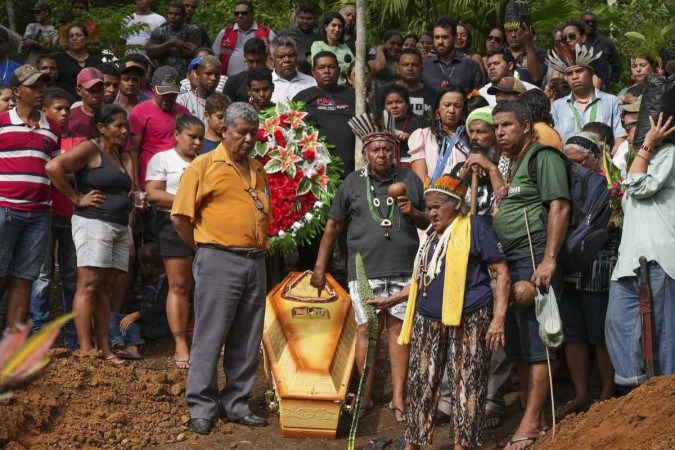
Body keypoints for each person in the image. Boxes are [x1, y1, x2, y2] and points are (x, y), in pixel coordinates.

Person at [311, 111, 428, 423]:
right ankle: (364, 395)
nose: (382, 154)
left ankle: (399, 397)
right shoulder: (351, 182)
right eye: (375, 149)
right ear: (365, 153)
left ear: (395, 152)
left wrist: (412, 211)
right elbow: (333, 228)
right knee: (366, 331)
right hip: (364, 270)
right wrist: (319, 268)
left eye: (387, 149)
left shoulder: (409, 179)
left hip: (404, 267)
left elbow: (429, 221)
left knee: (400, 333)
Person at [171, 102, 271, 434]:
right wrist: (204, 250)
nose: (247, 139)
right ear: (224, 130)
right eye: (241, 132)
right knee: (210, 335)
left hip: (254, 260)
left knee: (247, 335)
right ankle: (201, 405)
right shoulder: (203, 165)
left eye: (253, 134)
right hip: (217, 258)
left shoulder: (258, 168)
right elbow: (180, 217)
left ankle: (236, 403)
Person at [398, 173, 509, 450]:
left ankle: (463, 444)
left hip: (470, 317)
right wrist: (394, 298)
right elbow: (427, 277)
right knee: (421, 382)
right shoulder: (432, 238)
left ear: (456, 204)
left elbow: (502, 273)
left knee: (468, 383)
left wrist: (498, 319)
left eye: (437, 206)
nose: (431, 212)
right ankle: (413, 443)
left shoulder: (476, 228)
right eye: (429, 207)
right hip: (427, 318)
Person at [489, 101, 571, 449]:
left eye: (507, 125)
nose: (500, 132)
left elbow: (560, 206)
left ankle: (533, 423)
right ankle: (527, 414)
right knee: (520, 347)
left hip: (534, 259)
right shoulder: (511, 165)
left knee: (540, 345)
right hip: (511, 262)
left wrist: (549, 259)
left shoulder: (544, 157)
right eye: (496, 127)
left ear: (527, 127)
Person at [46, 104, 133, 366]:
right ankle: (85, 350)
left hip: (117, 226)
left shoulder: (116, 154)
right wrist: (77, 198)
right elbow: (53, 167)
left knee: (105, 288)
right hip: (93, 223)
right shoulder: (90, 148)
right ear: (102, 128)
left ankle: (104, 348)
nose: (124, 130)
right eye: (118, 125)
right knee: (89, 284)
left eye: (125, 125)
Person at [606, 113, 675, 387]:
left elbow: (636, 185)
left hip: (658, 259)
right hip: (630, 260)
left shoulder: (669, 153)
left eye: (636, 124)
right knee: (618, 326)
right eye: (627, 125)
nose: (630, 130)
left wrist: (648, 145)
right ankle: (640, 396)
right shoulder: (638, 160)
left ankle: (665, 402)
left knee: (662, 339)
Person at [555, 132, 615, 419]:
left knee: (599, 332)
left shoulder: (607, 184)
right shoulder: (559, 183)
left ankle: (607, 391)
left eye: (577, 161)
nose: (572, 167)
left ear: (593, 160)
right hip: (565, 266)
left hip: (596, 267)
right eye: (567, 161)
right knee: (573, 333)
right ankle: (581, 394)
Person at [0, 65, 59, 330]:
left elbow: (56, 170)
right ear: (16, 91)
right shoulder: (1, 122)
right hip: (4, 208)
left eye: (42, 85)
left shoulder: (52, 128)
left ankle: (10, 342)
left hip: (39, 213)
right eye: (33, 86)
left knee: (25, 277)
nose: (40, 90)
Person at [145, 115, 204, 369]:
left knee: (205, 286)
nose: (197, 142)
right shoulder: (163, 159)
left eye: (201, 138)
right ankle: (180, 343)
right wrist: (187, 199)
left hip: (204, 226)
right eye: (192, 137)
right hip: (172, 225)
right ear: (177, 135)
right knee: (179, 286)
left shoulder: (206, 161)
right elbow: (153, 193)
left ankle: (206, 340)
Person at [29, 88, 85, 349]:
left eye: (66, 109)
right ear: (45, 112)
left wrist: (59, 171)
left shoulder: (81, 141)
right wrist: (64, 171)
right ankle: (41, 333)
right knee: (43, 274)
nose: (64, 114)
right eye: (58, 109)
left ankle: (73, 332)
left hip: (74, 215)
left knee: (72, 275)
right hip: (45, 213)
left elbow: (77, 174)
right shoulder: (43, 138)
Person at [548, 44, 625, 151]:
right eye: (569, 73)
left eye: (579, 71)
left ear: (591, 73)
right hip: (570, 164)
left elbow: (619, 139)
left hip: (601, 164)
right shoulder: (558, 106)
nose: (574, 77)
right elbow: (556, 141)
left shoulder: (611, 101)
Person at [125, 65, 190, 191]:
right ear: (152, 88)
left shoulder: (184, 112)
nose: (168, 97)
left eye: (172, 93)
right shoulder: (139, 112)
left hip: (177, 181)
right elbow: (133, 152)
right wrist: (136, 185)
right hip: (150, 179)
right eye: (164, 93)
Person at [293, 51, 356, 175]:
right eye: (321, 68)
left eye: (331, 67)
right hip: (316, 169)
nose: (326, 71)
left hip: (352, 167)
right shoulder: (303, 97)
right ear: (313, 72)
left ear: (338, 71)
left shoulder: (353, 95)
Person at [108, 242, 171, 360]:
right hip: (145, 319)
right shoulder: (152, 280)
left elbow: (161, 306)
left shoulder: (166, 283)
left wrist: (138, 314)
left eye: (141, 266)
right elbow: (145, 303)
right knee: (111, 317)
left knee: (131, 324)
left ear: (148, 266)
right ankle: (117, 342)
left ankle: (133, 347)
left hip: (158, 324)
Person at [408, 83, 469, 182]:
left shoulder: (470, 137)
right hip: (430, 194)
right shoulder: (423, 136)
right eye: (447, 105)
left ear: (463, 110)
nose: (452, 110)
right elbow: (420, 175)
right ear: (438, 108)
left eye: (457, 106)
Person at [212, 0, 275, 77]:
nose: (240, 16)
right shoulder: (225, 33)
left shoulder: (267, 33)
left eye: (244, 13)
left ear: (252, 14)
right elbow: (213, 59)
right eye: (236, 13)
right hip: (229, 81)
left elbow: (275, 58)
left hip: (259, 81)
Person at [422, 17, 483, 92]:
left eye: (445, 37)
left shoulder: (471, 66)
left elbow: (481, 99)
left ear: (454, 38)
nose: (440, 42)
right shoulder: (424, 66)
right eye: (436, 37)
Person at [146, 2, 207, 76]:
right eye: (170, 13)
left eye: (176, 14)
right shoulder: (159, 31)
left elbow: (192, 52)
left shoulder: (193, 30)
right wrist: (172, 42)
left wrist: (162, 50)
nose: (172, 16)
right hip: (164, 74)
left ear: (184, 15)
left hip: (188, 75)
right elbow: (151, 53)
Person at [51, 23, 104, 100]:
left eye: (78, 35)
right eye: (71, 36)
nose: (74, 38)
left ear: (86, 39)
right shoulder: (58, 59)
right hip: (64, 105)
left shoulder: (96, 62)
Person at [381, 84, 424, 161]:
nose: (394, 106)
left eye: (399, 102)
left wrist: (410, 138)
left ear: (407, 104)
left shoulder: (420, 121)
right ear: (384, 107)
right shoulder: (378, 124)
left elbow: (429, 145)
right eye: (389, 103)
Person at [580, 12, 622, 90]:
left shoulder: (606, 43)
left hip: (601, 89)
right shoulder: (574, 43)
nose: (590, 24)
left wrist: (611, 82)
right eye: (587, 22)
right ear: (580, 24)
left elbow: (617, 65)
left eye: (593, 22)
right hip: (579, 87)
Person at [310, 12, 355, 84]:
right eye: (333, 25)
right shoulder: (318, 46)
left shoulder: (344, 47)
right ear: (325, 27)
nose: (337, 29)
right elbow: (320, 67)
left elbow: (353, 68)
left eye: (340, 26)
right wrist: (344, 67)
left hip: (346, 86)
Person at [269, 36, 315, 103]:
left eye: (291, 55)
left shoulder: (311, 82)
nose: (287, 60)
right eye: (281, 57)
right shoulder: (266, 85)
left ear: (296, 58)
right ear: (272, 61)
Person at [177, 55, 222, 124]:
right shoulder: (182, 100)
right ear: (198, 74)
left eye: (217, 74)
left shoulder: (223, 101)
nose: (213, 78)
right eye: (209, 74)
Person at [223, 38, 267, 102]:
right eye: (251, 61)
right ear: (245, 57)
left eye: (258, 61)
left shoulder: (275, 79)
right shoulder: (233, 82)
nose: (255, 66)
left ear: (265, 56)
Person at [69, 67, 104, 139]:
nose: (97, 95)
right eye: (91, 90)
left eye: (100, 90)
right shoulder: (69, 116)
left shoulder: (114, 114)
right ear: (78, 91)